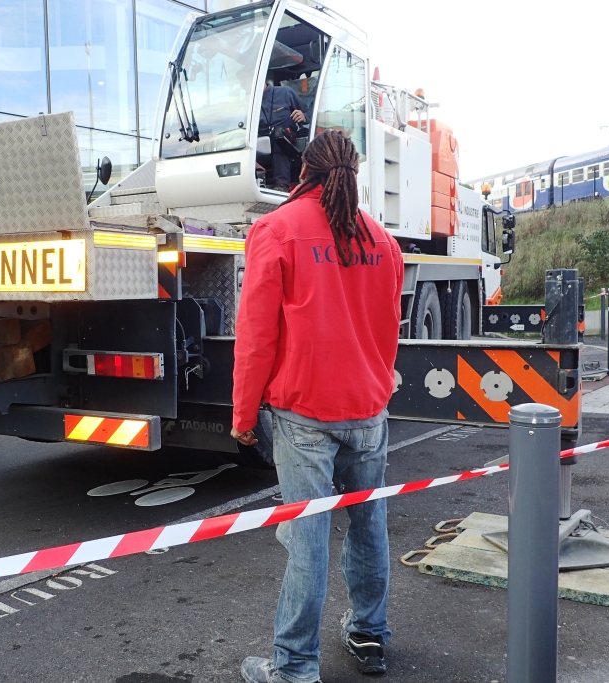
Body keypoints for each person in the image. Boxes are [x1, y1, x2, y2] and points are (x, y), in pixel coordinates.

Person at [232, 130, 405, 683]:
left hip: (304, 413)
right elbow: (388, 332)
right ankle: (370, 633)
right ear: (354, 173)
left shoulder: (276, 230)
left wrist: (243, 415)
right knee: (369, 524)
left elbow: (256, 336)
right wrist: (375, 388)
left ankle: (295, 667)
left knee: (307, 539)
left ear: (303, 171)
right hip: (368, 411)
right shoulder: (383, 240)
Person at [260, 80, 308, 190]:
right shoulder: (248, 104)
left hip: (286, 138)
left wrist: (304, 116)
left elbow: (309, 111)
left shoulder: (285, 93)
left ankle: (282, 185)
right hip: (261, 143)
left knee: (279, 137)